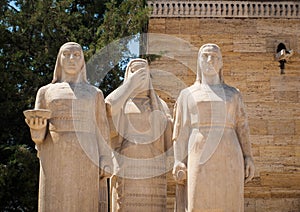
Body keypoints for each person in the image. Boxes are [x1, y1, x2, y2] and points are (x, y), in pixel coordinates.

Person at [25, 42, 111, 211]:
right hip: (54, 153)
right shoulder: (45, 91)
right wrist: (37, 129)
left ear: (82, 61)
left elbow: (102, 129)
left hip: (87, 154)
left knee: (84, 201)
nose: (71, 59)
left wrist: (106, 158)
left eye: (77, 55)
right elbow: (38, 138)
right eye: (66, 54)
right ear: (59, 59)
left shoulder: (95, 93)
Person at [173, 43, 255, 211]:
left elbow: (242, 126)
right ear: (198, 61)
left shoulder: (234, 94)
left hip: (230, 151)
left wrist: (249, 156)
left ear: (221, 62)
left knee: (229, 202)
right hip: (199, 150)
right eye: (205, 56)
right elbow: (181, 130)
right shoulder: (187, 94)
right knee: (197, 201)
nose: (210, 60)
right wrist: (178, 160)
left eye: (215, 56)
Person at [105, 58, 172, 212]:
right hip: (127, 165)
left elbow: (169, 138)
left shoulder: (160, 105)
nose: (140, 74)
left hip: (153, 166)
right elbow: (108, 107)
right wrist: (130, 85)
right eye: (135, 71)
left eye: (144, 71)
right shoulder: (122, 103)